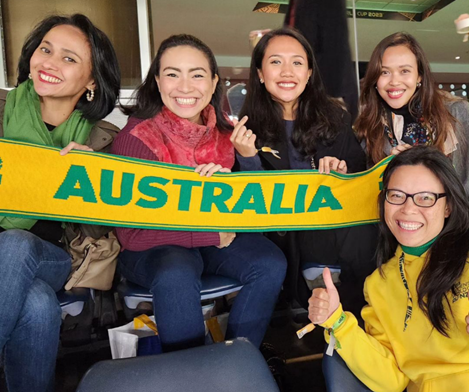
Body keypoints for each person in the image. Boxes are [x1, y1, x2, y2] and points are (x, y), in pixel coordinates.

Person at [111, 34, 287, 352]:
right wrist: (206, 235)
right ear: (157, 81)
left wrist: (244, 161)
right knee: (176, 271)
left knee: (270, 262)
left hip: (212, 240)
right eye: (173, 74)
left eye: (197, 74)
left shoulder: (226, 133)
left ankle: (238, 358)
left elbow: (256, 213)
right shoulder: (136, 138)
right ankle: (192, 374)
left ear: (214, 81)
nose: (185, 87)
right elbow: (131, 235)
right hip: (154, 248)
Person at [0, 14, 120, 392]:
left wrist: (93, 178)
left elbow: (109, 229)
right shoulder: (2, 109)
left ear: (91, 82)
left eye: (69, 58)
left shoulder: (105, 139)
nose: (50, 62)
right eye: (45, 49)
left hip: (53, 255)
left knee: (16, 244)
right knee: (37, 304)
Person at [232, 27, 377, 316]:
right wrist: (247, 159)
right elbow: (248, 207)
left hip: (342, 236)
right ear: (260, 73)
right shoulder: (245, 130)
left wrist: (342, 171)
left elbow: (359, 175)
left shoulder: (336, 118)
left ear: (309, 72)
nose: (287, 72)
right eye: (275, 62)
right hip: (283, 238)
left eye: (297, 62)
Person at [309, 146, 469, 392]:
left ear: (447, 206)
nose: (408, 208)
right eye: (396, 195)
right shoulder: (379, 285)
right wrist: (338, 321)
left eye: (425, 197)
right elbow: (391, 382)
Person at [354, 32, 469, 193]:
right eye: (384, 72)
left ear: (419, 76)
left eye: (404, 71)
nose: (394, 81)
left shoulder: (457, 112)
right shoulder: (368, 125)